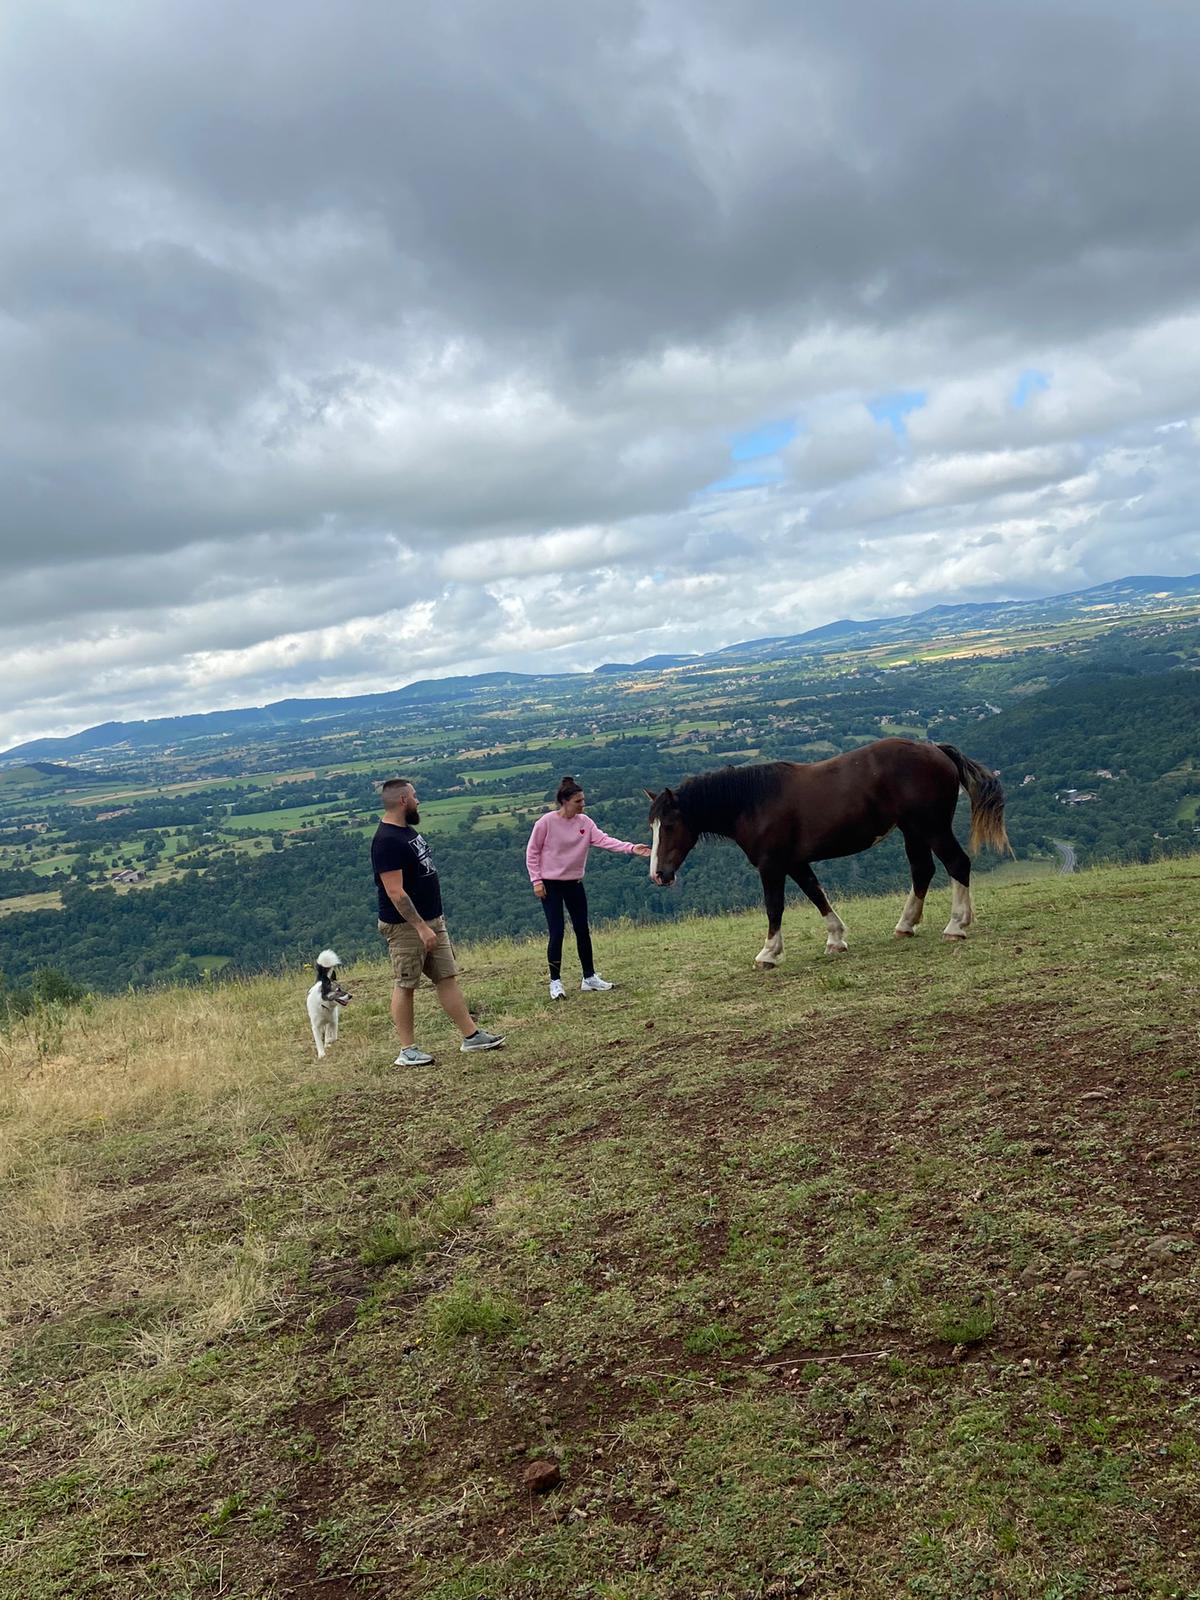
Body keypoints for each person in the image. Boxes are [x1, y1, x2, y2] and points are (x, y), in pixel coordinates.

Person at [371, 777, 505, 1065]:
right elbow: (395, 892)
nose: (418, 800)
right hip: (406, 927)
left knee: (446, 977)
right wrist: (420, 927)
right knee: (406, 983)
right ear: (403, 800)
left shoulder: (406, 832)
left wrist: (433, 921)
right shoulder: (386, 841)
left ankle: (471, 1036)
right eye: (415, 796)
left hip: (431, 920)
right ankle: (407, 1050)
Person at [525, 776, 651, 1000]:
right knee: (557, 931)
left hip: (574, 883)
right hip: (550, 884)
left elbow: (605, 841)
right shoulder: (545, 823)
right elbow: (532, 852)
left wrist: (632, 848)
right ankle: (555, 982)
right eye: (578, 801)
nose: (583, 805)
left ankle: (589, 977)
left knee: (582, 929)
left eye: (583, 800)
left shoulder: (585, 823)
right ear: (564, 801)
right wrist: (536, 881)